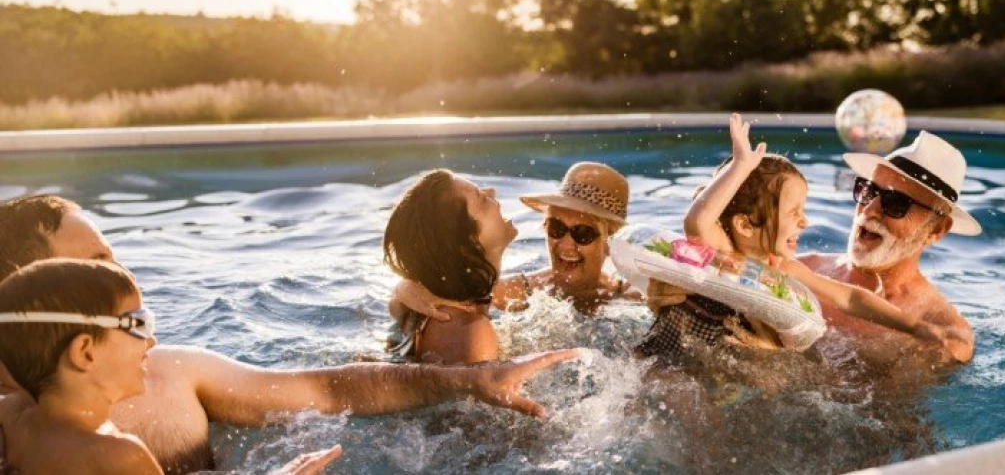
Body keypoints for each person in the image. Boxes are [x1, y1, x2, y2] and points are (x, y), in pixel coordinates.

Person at [0, 195, 581, 473]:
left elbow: (329, 388)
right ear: (28, 285)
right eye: (96, 263)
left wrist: (471, 381)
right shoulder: (20, 427)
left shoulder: (174, 372)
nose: (122, 272)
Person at [647, 123, 977, 364]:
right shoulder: (798, 266)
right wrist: (656, 291)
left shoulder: (944, 335)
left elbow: (881, 419)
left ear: (937, 230)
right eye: (867, 190)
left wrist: (778, 362)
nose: (869, 209)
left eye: (895, 204)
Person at [0, 259, 344, 475]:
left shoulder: (12, 421)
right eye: (138, 324)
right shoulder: (119, 454)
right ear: (85, 352)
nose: (151, 341)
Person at [390, 162, 641, 320]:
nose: (566, 245)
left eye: (583, 233)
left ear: (609, 243)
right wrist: (405, 290)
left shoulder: (633, 296)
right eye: (556, 228)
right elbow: (442, 293)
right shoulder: (522, 291)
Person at [383, 169, 516, 364]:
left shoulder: (425, 305)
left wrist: (403, 288)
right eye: (482, 199)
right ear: (470, 241)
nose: (492, 191)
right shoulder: (471, 331)